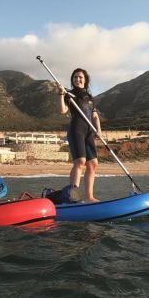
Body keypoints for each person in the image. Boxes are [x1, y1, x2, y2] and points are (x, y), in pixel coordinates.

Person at [57, 68, 102, 202]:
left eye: (80, 77)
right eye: (75, 77)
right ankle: (73, 197)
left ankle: (89, 197)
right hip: (76, 129)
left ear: (85, 79)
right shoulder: (69, 94)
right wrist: (60, 94)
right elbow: (62, 110)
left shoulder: (90, 97)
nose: (77, 79)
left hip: (89, 131)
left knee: (93, 163)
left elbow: (94, 115)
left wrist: (98, 130)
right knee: (80, 161)